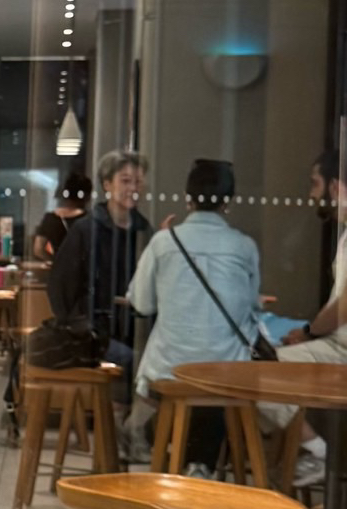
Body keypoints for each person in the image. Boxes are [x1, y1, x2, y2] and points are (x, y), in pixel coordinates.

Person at [125, 160, 260, 466]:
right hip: (226, 371)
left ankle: (141, 433)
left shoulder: (163, 242)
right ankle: (205, 464)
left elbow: (142, 304)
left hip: (171, 369)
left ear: (188, 199)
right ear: (227, 203)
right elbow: (252, 305)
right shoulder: (244, 247)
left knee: (159, 352)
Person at [258, 148, 347, 482]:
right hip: (335, 344)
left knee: (256, 374)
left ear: (335, 186)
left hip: (342, 351)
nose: (311, 194)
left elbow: (343, 307)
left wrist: (309, 333)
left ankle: (318, 452)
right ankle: (294, 455)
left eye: (315, 184)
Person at [47, 148, 151, 371]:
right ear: (107, 185)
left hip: (136, 332)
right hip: (93, 335)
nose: (133, 188)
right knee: (136, 363)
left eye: (138, 182)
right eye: (125, 181)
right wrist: (81, 330)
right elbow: (61, 287)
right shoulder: (86, 230)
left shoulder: (145, 232)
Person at [32, 170, 92, 260]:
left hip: (59, 266)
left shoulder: (50, 218)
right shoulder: (88, 219)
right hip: (82, 266)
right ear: (86, 196)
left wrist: (56, 261)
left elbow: (38, 249)